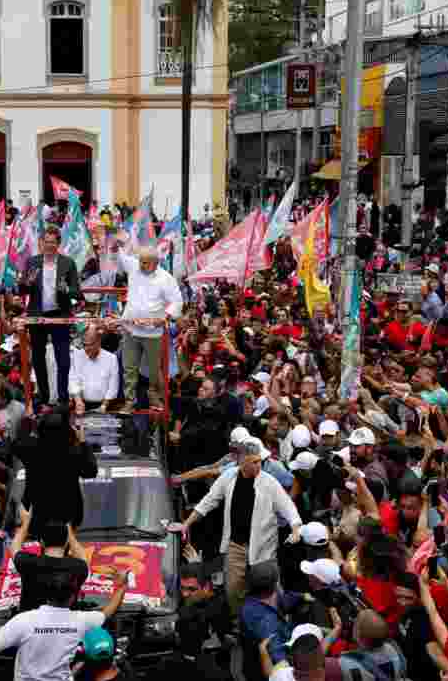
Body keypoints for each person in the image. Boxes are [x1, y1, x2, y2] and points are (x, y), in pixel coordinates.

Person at [175, 444, 302, 613]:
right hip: (236, 545)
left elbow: (288, 507)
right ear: (242, 462)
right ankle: (241, 621)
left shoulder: (269, 482)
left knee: (270, 589)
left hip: (264, 546)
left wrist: (295, 528)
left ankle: (276, 618)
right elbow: (209, 501)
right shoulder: (229, 477)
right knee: (233, 590)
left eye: (259, 461)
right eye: (254, 462)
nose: (258, 465)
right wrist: (186, 523)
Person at [0, 569, 129, 680]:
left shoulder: (24, 620)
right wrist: (121, 586)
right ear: (73, 597)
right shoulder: (82, 620)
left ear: (46, 594)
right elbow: (108, 611)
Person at [113, 243, 183, 413]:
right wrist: (114, 242)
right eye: (140, 261)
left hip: (153, 331)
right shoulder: (134, 267)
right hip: (131, 328)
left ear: (155, 263)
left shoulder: (166, 278)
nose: (141, 265)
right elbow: (121, 257)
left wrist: (165, 317)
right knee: (129, 366)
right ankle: (130, 401)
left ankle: (153, 396)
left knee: (153, 368)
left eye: (145, 262)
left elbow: (177, 301)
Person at [19, 226, 82, 406]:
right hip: (37, 316)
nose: (49, 245)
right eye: (46, 242)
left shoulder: (67, 263)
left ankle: (63, 397)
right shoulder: (32, 262)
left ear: (58, 244)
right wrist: (27, 283)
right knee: (38, 359)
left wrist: (67, 290)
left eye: (52, 242)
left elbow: (77, 292)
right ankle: (43, 396)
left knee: (63, 360)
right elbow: (21, 290)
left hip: (59, 315)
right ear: (41, 243)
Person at [70, 326, 120, 414]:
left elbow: (113, 386)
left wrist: (104, 405)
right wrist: (78, 401)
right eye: (84, 345)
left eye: (91, 344)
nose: (87, 349)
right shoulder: (76, 356)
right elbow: (73, 380)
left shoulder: (111, 358)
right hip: (81, 403)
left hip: (105, 405)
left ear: (98, 342)